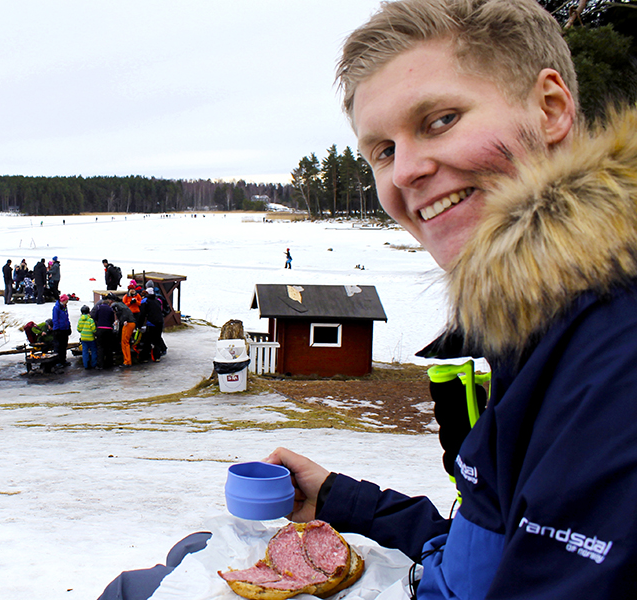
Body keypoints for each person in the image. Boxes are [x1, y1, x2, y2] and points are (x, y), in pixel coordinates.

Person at [103, 2, 637, 599]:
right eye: (382, 151)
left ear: (551, 108)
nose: (404, 171)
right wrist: (337, 498)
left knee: (137, 589)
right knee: (195, 550)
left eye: (440, 120)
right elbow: (487, 548)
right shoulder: (543, 318)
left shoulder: (611, 355)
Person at [90, 297, 116, 369]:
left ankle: (100, 365)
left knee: (100, 347)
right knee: (108, 347)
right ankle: (109, 363)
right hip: (108, 329)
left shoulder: (98, 308)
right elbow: (112, 320)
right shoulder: (110, 309)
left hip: (100, 329)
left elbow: (95, 318)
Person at [111, 295, 137, 367]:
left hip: (128, 323)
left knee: (125, 343)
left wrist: (124, 320)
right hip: (131, 323)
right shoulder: (122, 305)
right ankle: (127, 360)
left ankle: (127, 361)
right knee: (125, 342)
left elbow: (123, 314)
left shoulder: (117, 305)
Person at [51, 294, 71, 367]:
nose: (67, 302)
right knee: (58, 346)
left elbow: (66, 318)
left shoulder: (65, 307)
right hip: (59, 330)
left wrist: (68, 326)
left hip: (64, 329)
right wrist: (57, 329)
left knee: (64, 346)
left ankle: (63, 360)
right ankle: (58, 361)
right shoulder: (56, 308)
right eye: (66, 300)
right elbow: (55, 319)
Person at [76, 305, 97, 369]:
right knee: (93, 351)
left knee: (85, 351)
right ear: (89, 312)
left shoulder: (80, 320)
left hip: (83, 338)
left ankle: (86, 365)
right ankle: (93, 364)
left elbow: (78, 329)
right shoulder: (90, 320)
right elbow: (94, 329)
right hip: (91, 338)